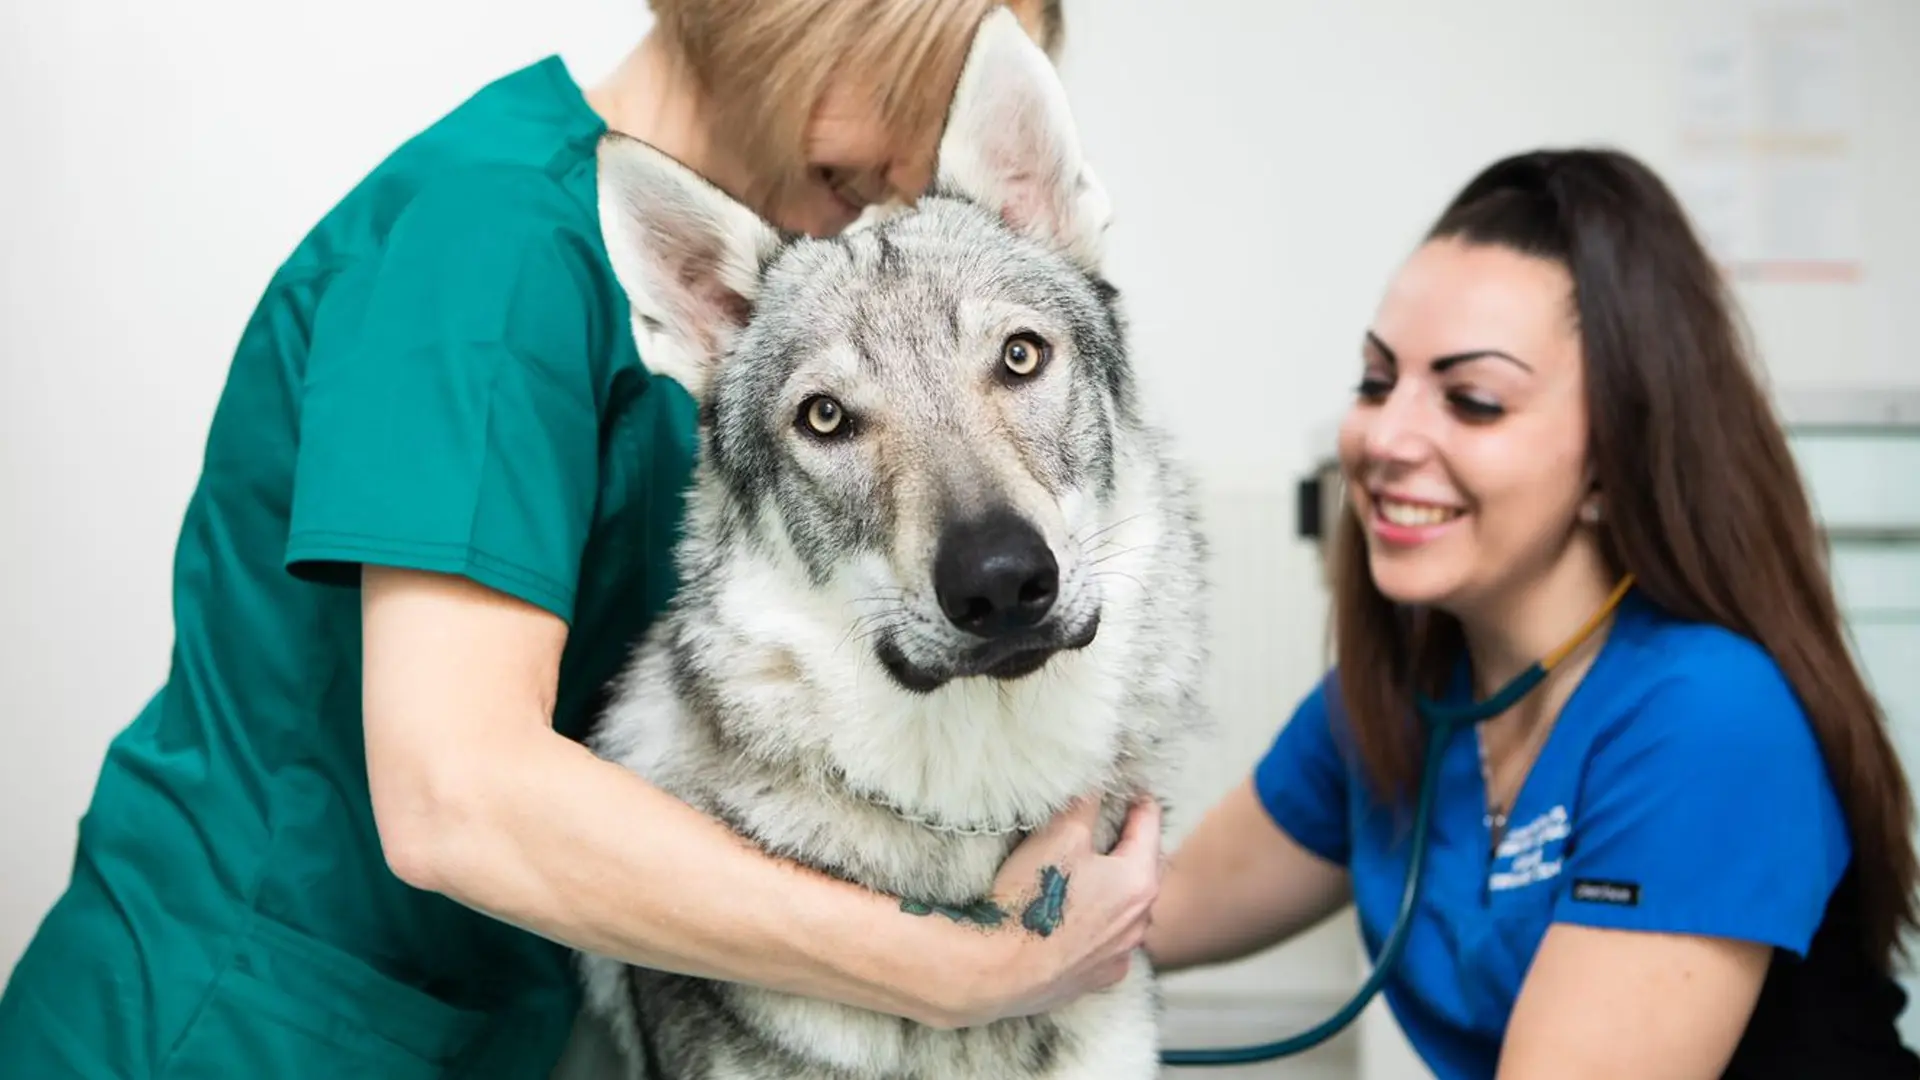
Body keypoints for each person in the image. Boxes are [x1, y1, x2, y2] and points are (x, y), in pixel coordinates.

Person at [0, 3, 1170, 1077]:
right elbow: (457, 792)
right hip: (236, 1030)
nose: (923, 170)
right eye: (924, 96)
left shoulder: (751, 305)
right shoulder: (492, 247)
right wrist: (959, 970)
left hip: (468, 1022)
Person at [1145, 146, 1920, 1079]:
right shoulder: (1393, 699)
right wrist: (939, 951)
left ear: (1610, 460)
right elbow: (1146, 914)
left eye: (1473, 401)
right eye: (1377, 381)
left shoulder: (1708, 718)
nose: (1387, 438)